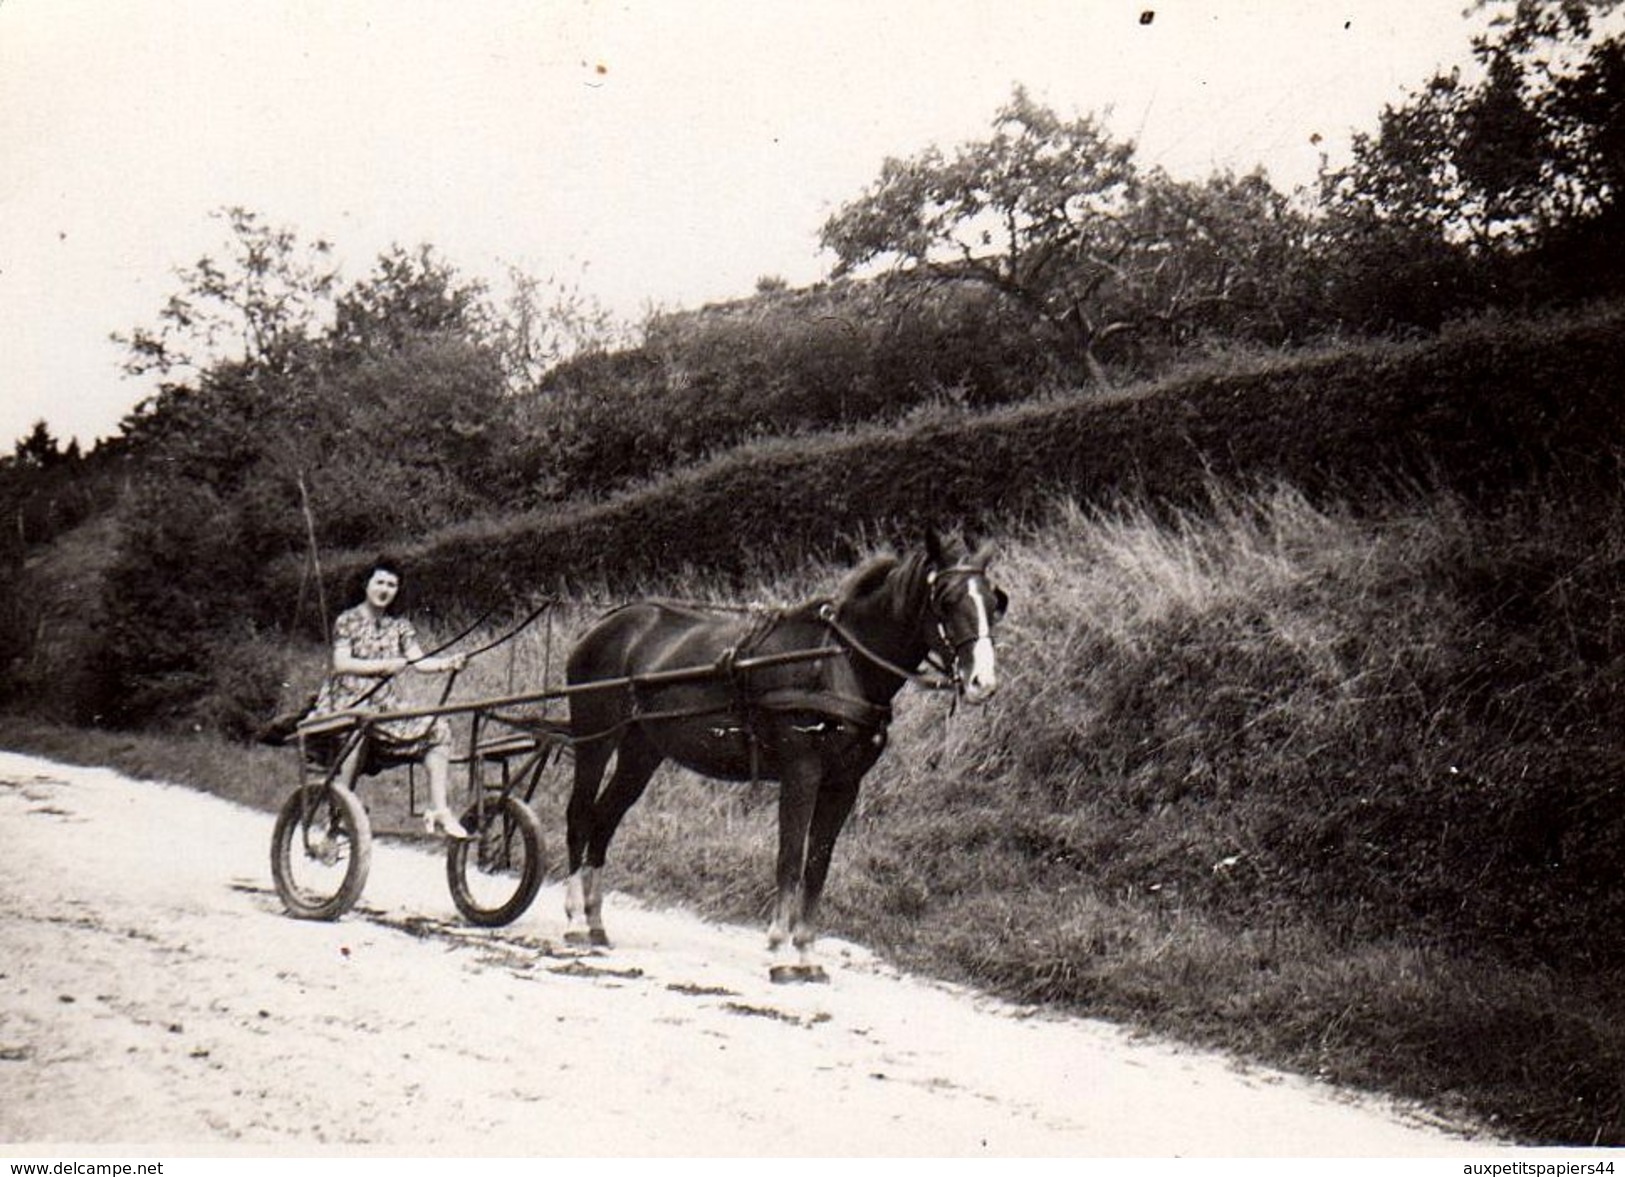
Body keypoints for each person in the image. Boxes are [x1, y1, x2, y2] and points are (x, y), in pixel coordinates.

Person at [308, 558, 470, 838]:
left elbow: (419, 661)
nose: (385, 589)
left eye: (392, 584)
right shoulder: (347, 620)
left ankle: (439, 810)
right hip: (346, 704)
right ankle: (338, 810)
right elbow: (341, 663)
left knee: (438, 730)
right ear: (366, 584)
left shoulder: (400, 627)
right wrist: (382, 666)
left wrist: (448, 663)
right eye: (380, 582)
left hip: (383, 708)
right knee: (357, 729)